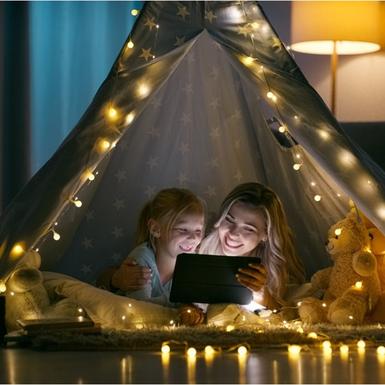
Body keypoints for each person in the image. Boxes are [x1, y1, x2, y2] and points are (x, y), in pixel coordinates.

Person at [198, 182, 305, 309]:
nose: (233, 233)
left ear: (266, 235)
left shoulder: (274, 268)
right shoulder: (198, 243)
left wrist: (261, 295)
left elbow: (284, 315)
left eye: (248, 229)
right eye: (229, 219)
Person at [98, 187, 206, 307]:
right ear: (155, 229)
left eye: (198, 231)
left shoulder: (194, 265)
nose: (193, 238)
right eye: (182, 229)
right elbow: (142, 307)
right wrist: (181, 301)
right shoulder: (141, 260)